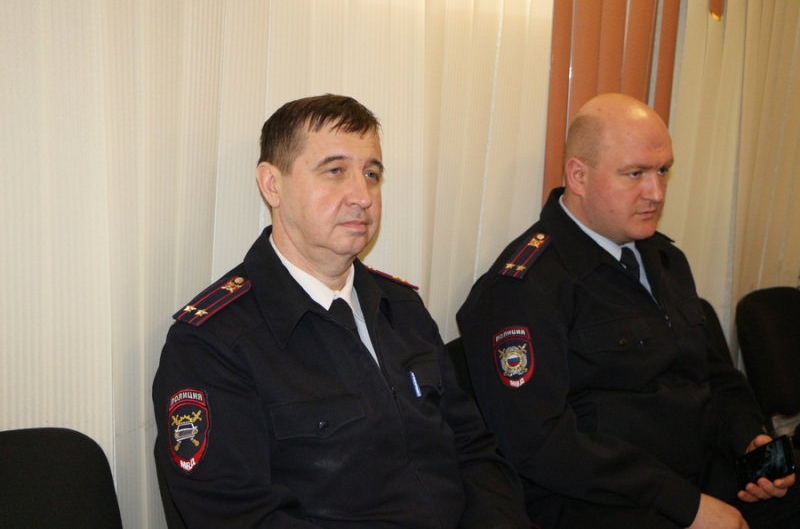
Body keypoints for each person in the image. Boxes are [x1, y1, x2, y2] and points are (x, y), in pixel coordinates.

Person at [153, 94, 528, 528]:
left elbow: (474, 451)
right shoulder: (212, 343)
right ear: (272, 184)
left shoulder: (402, 309)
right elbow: (239, 517)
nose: (362, 196)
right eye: (335, 171)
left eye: (372, 174)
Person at [456, 93, 799, 529]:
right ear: (578, 176)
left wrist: (749, 440)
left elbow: (710, 375)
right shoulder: (524, 288)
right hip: (607, 501)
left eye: (662, 171)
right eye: (635, 173)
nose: (656, 192)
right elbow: (539, 442)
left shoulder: (664, 259)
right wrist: (688, 505)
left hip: (700, 474)